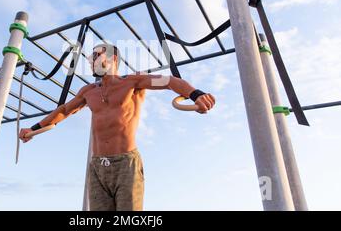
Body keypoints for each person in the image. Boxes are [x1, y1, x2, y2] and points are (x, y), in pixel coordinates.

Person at [19, 43, 215, 210]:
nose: (90, 59)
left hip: (126, 164)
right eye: (90, 56)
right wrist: (34, 128)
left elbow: (169, 81)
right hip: (97, 166)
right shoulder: (88, 91)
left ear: (113, 58)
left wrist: (196, 94)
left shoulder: (133, 82)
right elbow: (64, 110)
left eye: (96, 55)